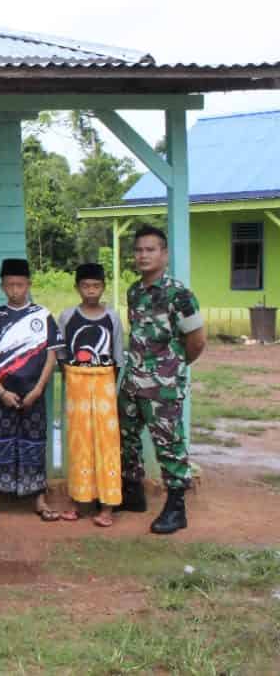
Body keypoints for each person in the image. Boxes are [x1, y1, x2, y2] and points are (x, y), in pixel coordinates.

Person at [120, 224, 205, 535]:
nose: (143, 255)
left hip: (163, 388)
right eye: (139, 250)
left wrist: (172, 369)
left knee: (168, 445)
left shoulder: (179, 294)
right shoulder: (134, 291)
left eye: (150, 249)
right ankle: (132, 493)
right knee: (126, 437)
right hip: (133, 382)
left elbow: (196, 341)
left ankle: (176, 507)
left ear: (164, 254)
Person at [0, 259, 63, 520]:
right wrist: (0, 390)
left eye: (20, 284)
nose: (15, 290)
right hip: (1, 395)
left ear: (29, 284)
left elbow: (51, 356)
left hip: (33, 395)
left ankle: (38, 497)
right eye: (10, 285)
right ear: (2, 286)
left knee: (34, 444)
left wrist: (38, 390)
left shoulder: (43, 315)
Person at [57, 262, 125, 527]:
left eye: (96, 286)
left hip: (105, 382)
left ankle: (107, 507)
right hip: (76, 384)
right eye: (86, 286)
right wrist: (73, 379)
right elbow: (62, 354)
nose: (91, 291)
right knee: (79, 443)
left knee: (106, 443)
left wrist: (109, 385)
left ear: (103, 287)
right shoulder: (67, 317)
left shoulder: (113, 317)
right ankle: (78, 503)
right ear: (77, 288)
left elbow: (117, 356)